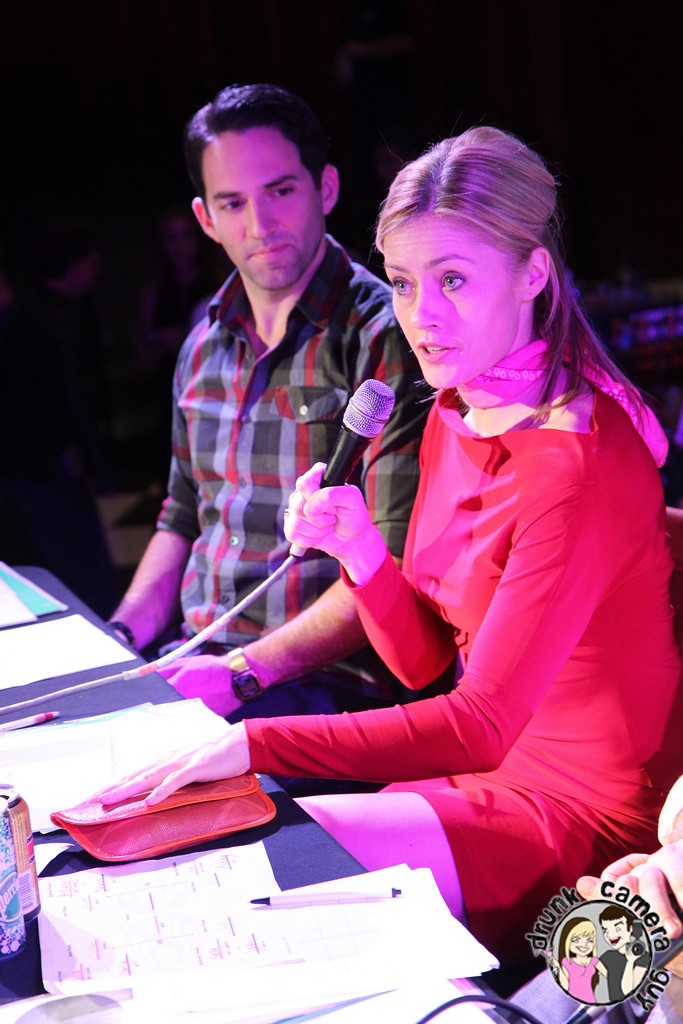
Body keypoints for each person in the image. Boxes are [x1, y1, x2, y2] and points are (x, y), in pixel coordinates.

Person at [98, 125, 683, 966]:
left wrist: (256, 739)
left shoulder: (577, 462)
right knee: (206, 860)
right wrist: (363, 555)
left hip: (583, 822)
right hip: (486, 779)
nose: (421, 316)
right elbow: (421, 666)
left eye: (453, 280)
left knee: (260, 868)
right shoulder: (455, 406)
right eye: (403, 283)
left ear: (532, 275)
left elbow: (480, 726)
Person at [107, 83, 433, 741]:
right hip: (195, 662)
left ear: (326, 188)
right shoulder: (202, 345)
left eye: (280, 191)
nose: (259, 225)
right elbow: (182, 516)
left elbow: (390, 563)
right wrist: (120, 636)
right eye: (233, 203)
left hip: (323, 687)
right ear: (206, 218)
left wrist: (241, 673)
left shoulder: (384, 336)